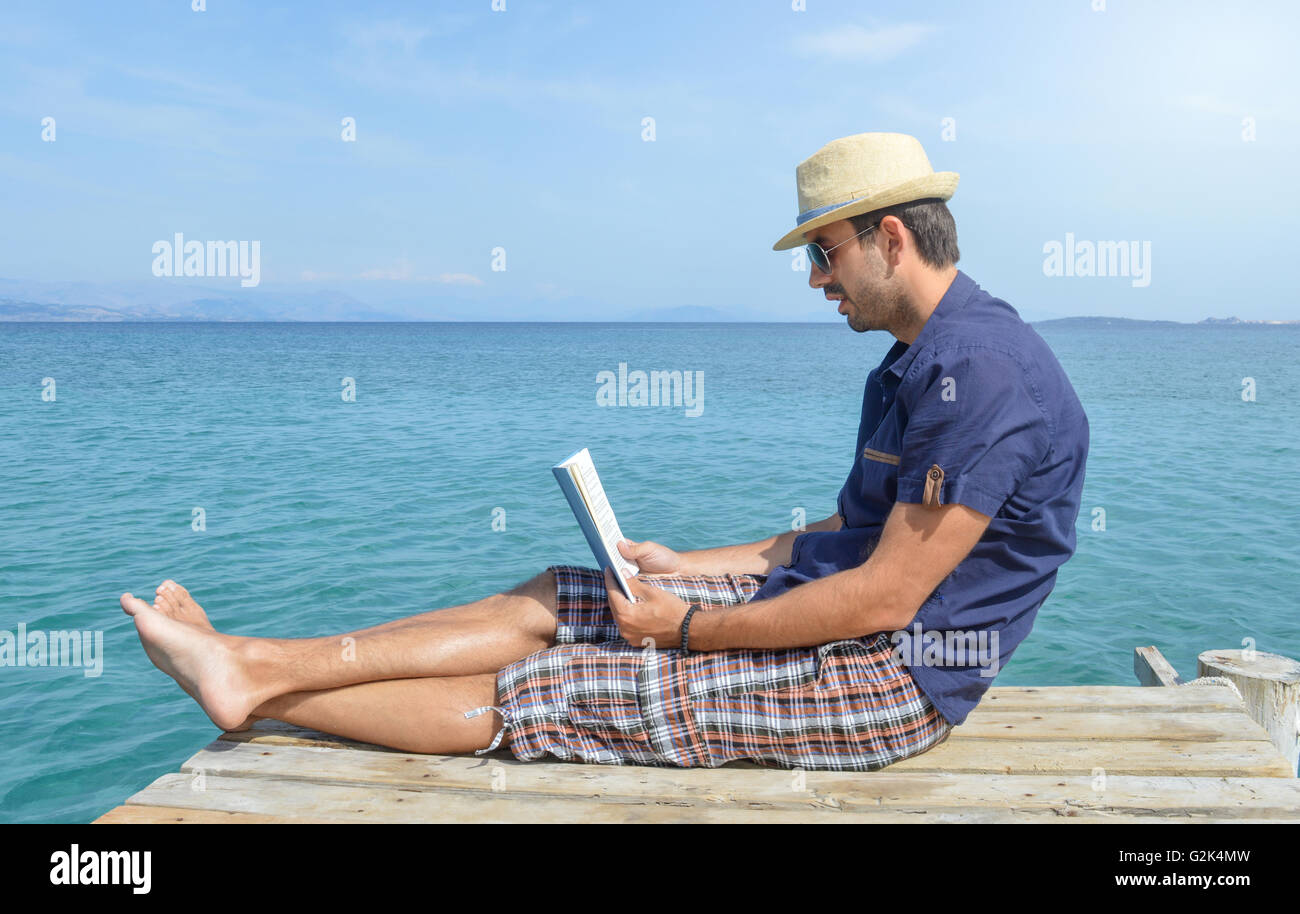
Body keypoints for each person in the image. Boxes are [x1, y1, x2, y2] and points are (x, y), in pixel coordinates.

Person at [122, 131, 1089, 771]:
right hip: (838, 621)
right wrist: (679, 570)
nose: (814, 280)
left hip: (889, 677)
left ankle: (255, 693)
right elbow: (842, 536)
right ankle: (254, 659)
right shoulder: (916, 363)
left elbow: (885, 597)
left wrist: (682, 629)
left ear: (888, 239)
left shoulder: (985, 376)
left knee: (552, 688)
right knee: (566, 594)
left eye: (822, 253)